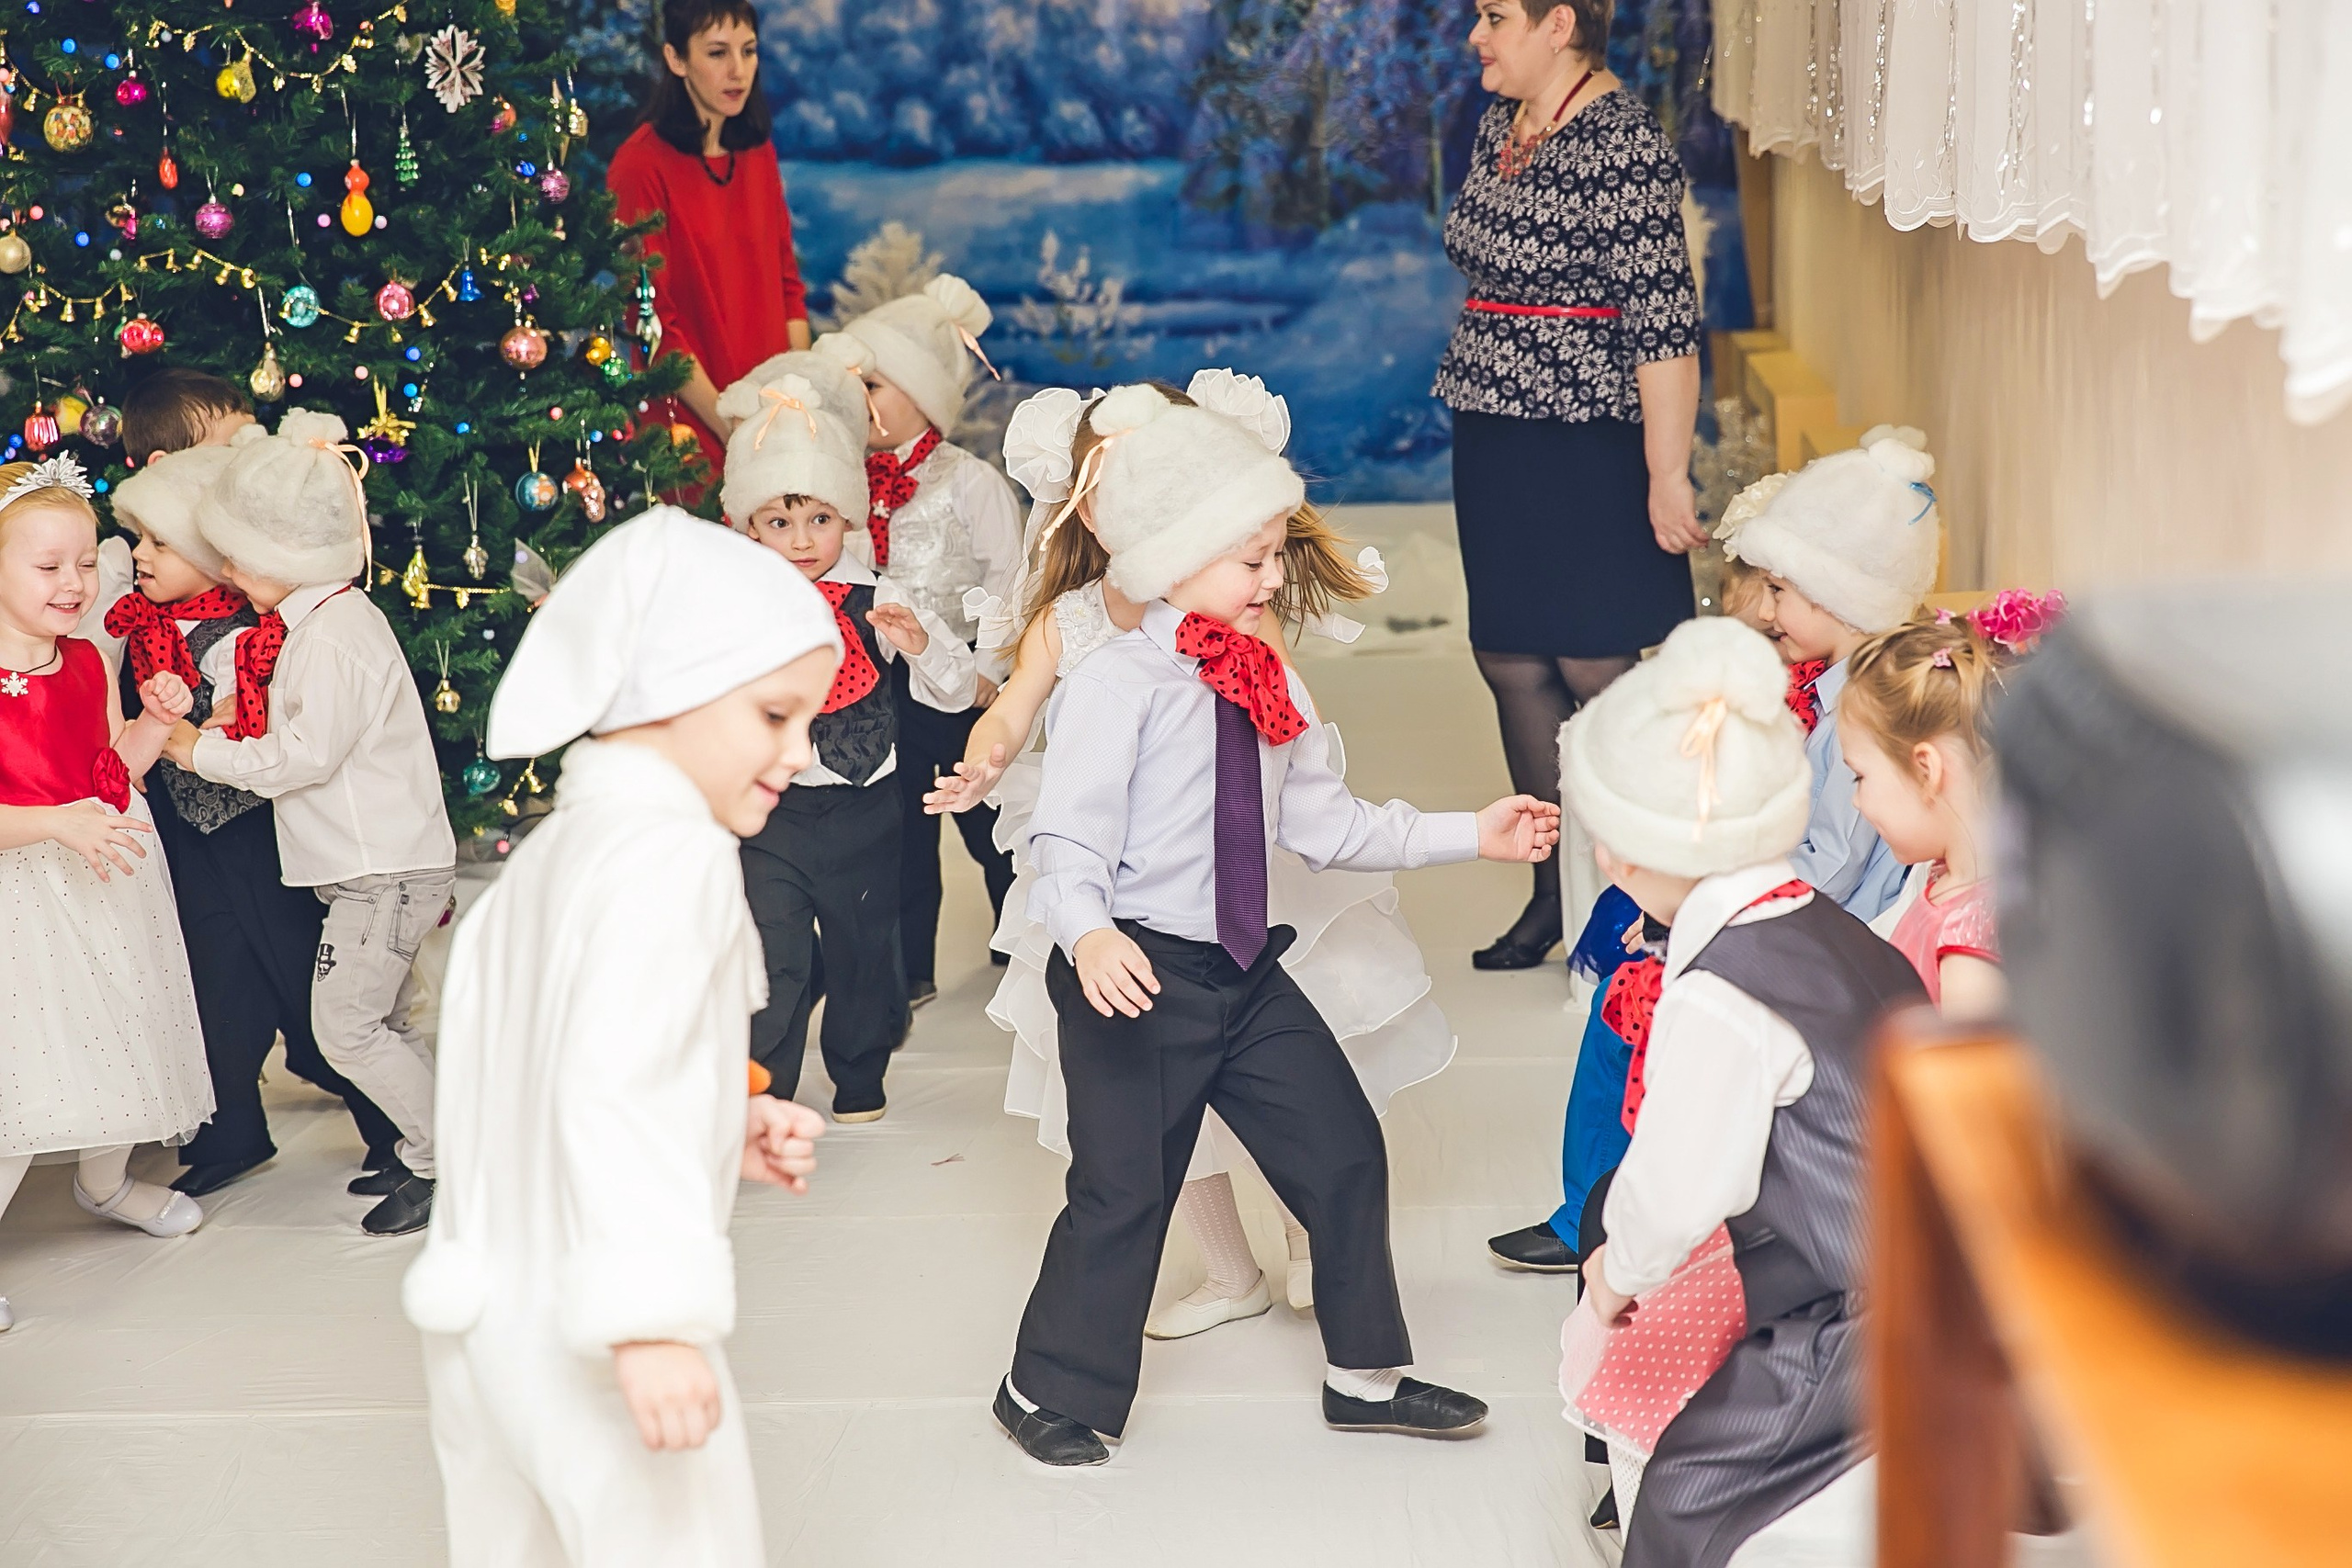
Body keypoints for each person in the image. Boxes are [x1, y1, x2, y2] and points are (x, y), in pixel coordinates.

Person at [993, 381, 1561, 1467]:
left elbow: (1327, 825)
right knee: (1123, 1194)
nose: (1270, 580)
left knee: (1342, 1151)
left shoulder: (1266, 681)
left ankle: (1364, 1377)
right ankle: (1039, 1390)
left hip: (1246, 972)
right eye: (1249, 561)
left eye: (1271, 557)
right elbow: (1065, 839)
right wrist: (1088, 934)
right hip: (1136, 970)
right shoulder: (1115, 683)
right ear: (1171, 557)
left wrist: (1471, 834)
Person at [933, 373, 1453, 1340]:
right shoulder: (1075, 622)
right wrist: (985, 760)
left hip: (1241, 871)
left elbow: (1289, 745)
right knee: (1155, 1115)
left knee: (1286, 1076)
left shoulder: (1239, 605)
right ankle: (1227, 1267)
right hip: (1112, 884)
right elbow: (1011, 710)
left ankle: (1311, 1238)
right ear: (1088, 506)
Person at [402, 507, 834, 1568]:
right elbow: (615, 1085)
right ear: (671, 684)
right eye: (775, 714)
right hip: (597, 1329)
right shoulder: (673, 859)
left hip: (488, 1324)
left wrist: (723, 1116)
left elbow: (545, 1069)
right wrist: (649, 1321)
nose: (800, 752)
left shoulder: (554, 858)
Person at [1560, 616, 1925, 1565]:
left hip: (1857, 1317)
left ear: (1628, 853)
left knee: (1682, 1505)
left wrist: (1610, 1281)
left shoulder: (1723, 989)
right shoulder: (1828, 928)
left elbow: (1677, 1189)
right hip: (1891, 1264)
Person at [1438, 0, 1707, 969]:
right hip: (1494, 425)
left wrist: (1666, 473)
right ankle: (1553, 891)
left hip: (1589, 432)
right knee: (1511, 657)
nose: (1477, 36)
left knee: (1597, 664)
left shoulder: (1623, 140)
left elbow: (1664, 324)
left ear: (1559, 24)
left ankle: (1656, 891)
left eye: (1495, 16)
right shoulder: (1498, 126)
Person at [160, 411, 457, 1237]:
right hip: (371, 866)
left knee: (346, 1027)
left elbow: (303, 756)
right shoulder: (319, 625)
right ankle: (428, 1143)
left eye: (238, 554)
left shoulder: (330, 636)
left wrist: (196, 751)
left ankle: (446, 1164)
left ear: (286, 556)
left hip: (382, 871)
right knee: (381, 1022)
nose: (225, 569)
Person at [107, 412, 404, 1200]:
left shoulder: (260, 631)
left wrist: (207, 726)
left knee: (302, 971)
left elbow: (264, 716)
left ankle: (393, 1128)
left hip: (257, 825)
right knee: (213, 975)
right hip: (188, 828)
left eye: (160, 542)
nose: (139, 555)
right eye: (138, 539)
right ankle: (230, 1126)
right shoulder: (140, 626)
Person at [717, 355, 977, 1122]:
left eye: (820, 520)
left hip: (864, 810)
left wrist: (921, 647)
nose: (803, 540)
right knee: (775, 958)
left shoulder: (879, 596)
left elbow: (956, 687)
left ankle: (860, 1074)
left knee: (863, 951)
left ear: (849, 516)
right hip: (771, 816)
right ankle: (764, 1089)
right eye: (780, 522)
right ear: (748, 524)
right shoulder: (733, 604)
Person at [0, 456, 215, 1335]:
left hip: (102, 880)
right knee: (23, 1075)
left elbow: (108, 774)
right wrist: (54, 824)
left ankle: (105, 1182)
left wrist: (154, 723)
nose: (74, 583)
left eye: (88, 562)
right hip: (20, 900)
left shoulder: (88, 659)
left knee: (122, 1039)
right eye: (48, 565)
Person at [817, 275, 1023, 1007]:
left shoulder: (970, 482)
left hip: (960, 679)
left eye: (873, 383)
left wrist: (991, 671)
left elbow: (1010, 578)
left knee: (986, 816)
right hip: (878, 684)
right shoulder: (841, 486)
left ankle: (1024, 933)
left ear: (922, 393)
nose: (861, 398)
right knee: (898, 826)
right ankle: (910, 969)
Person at [1715, 425, 1944, 921]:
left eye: (1777, 591)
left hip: (1843, 928)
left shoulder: (1862, 708)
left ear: (1830, 595)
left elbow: (1834, 866)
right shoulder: (1841, 691)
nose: (1768, 614)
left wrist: (1726, 896)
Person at [607, 0, 811, 488]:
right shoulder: (639, 166)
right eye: (718, 53)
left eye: (749, 50)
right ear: (676, 59)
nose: (738, 70)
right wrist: (731, 426)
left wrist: (794, 398)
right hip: (692, 431)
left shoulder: (757, 152)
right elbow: (651, 322)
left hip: (772, 422)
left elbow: (789, 287)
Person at [1840, 610, 2038, 1016]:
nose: (1856, 801)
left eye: (1859, 777)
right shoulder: (1945, 878)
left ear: (1925, 770)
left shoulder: (1969, 953)